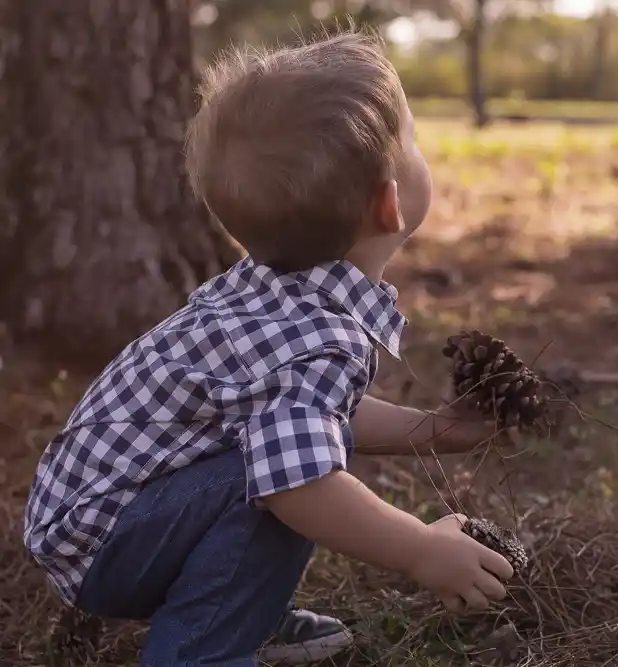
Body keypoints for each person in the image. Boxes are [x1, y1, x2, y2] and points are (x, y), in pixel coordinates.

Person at [23, 30, 515, 666]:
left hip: (92, 521)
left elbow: (311, 416)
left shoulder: (268, 288)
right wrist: (422, 547)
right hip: (108, 542)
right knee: (280, 484)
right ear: (391, 204)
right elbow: (300, 481)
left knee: (281, 459)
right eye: (414, 143)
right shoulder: (316, 338)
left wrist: (433, 430)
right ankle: (203, 650)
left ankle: (239, 608)